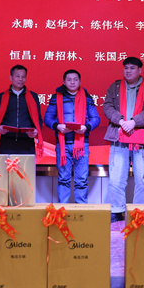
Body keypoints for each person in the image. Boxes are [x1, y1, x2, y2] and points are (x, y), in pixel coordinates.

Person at [104, 57, 144, 223]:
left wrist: (134, 122)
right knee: (116, 178)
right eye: (126, 68)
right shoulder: (114, 87)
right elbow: (108, 106)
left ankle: (139, 212)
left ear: (140, 70)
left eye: (132, 68)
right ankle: (117, 210)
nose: (128, 71)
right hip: (119, 137)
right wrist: (121, 121)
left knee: (141, 178)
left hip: (141, 141)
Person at [44, 69, 101, 203]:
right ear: (64, 82)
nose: (72, 82)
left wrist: (86, 127)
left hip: (82, 144)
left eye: (75, 79)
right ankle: (62, 209)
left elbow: (96, 118)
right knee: (63, 179)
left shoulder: (87, 98)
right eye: (69, 79)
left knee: (81, 180)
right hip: (62, 144)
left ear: (80, 82)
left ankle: (81, 209)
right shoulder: (56, 97)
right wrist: (57, 126)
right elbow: (47, 118)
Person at [0, 64, 43, 156]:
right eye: (17, 76)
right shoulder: (1, 97)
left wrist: (35, 131)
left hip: (27, 143)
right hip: (6, 143)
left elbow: (38, 120)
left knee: (27, 166)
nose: (20, 79)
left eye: (23, 77)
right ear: (11, 78)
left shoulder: (33, 97)